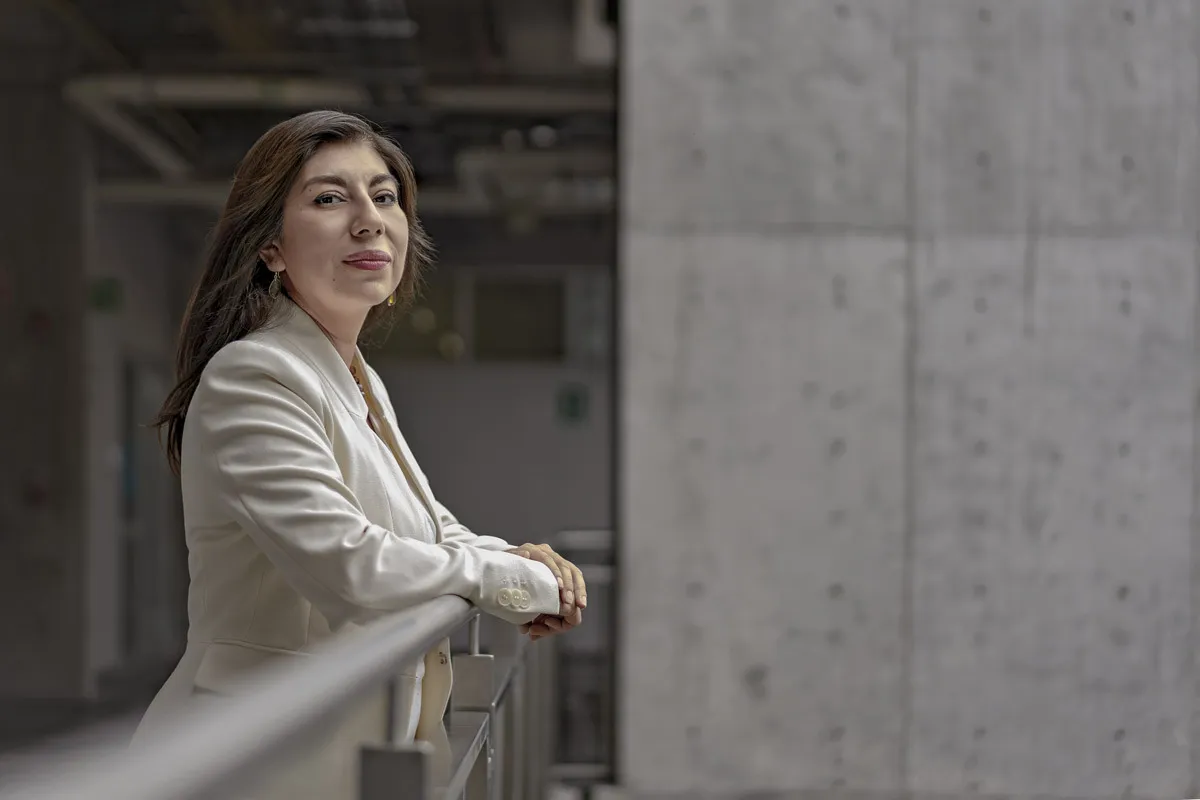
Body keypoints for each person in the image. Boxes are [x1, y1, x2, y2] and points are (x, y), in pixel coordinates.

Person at [130, 110, 586, 797]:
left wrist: (517, 561)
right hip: (258, 764)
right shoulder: (254, 375)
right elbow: (352, 562)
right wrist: (502, 583)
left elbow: (430, 528)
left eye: (385, 196)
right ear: (270, 247)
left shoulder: (354, 374)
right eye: (329, 198)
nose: (370, 220)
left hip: (347, 753)